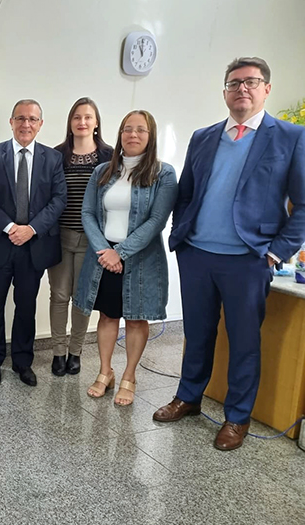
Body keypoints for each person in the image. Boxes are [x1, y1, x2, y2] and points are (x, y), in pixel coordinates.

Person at [153, 57, 305, 450]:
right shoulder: (204, 136)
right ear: (224, 92)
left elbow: (303, 205)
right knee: (197, 333)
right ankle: (188, 397)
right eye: (234, 83)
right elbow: (185, 192)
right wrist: (181, 238)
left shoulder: (289, 137)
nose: (242, 89)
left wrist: (276, 253)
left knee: (243, 341)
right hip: (198, 255)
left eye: (251, 82)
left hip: (248, 260)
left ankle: (237, 418)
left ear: (266, 89)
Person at [74, 110, 177, 406]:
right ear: (119, 135)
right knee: (107, 315)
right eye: (127, 129)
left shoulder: (163, 174)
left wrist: (120, 252)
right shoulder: (103, 171)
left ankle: (129, 376)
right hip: (103, 256)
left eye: (140, 130)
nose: (133, 135)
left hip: (141, 260)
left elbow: (156, 221)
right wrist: (104, 252)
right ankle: (105, 372)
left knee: (135, 318)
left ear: (151, 136)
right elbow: (88, 214)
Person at [0, 99, 67, 386]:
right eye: (21, 118)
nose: (26, 124)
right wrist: (11, 226)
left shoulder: (52, 159)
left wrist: (32, 229)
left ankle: (23, 362)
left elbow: (58, 199)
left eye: (32, 119)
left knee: (26, 307)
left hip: (32, 248)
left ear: (40, 125)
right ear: (11, 122)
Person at [50, 98, 113, 376]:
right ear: (70, 122)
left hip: (93, 241)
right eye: (77, 117)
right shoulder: (56, 155)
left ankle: (76, 352)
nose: (82, 122)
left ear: (96, 122)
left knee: (83, 298)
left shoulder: (110, 157)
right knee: (59, 295)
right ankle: (57, 352)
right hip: (60, 236)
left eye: (88, 117)